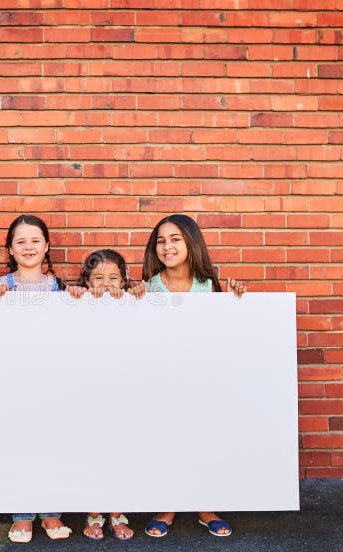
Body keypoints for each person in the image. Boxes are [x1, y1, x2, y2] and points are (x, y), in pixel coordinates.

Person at [138, 213, 245, 539]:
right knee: (168, 438)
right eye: (161, 241)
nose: (167, 246)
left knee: (203, 437)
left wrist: (236, 299)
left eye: (175, 239)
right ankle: (168, 505)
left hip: (202, 377)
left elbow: (226, 330)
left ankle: (204, 505)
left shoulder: (209, 285)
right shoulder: (150, 286)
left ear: (191, 243)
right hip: (163, 376)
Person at [0, 214, 72, 543]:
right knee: (19, 445)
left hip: (52, 379)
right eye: (20, 241)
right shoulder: (1, 287)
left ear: (47, 246)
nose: (28, 247)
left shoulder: (60, 287)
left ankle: (51, 512)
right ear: (10, 249)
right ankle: (22, 515)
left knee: (53, 444)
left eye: (35, 240)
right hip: (14, 380)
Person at [66, 249, 143, 541]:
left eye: (114, 278)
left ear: (124, 281)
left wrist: (138, 293)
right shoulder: (78, 303)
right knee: (93, 447)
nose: (107, 284)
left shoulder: (134, 303)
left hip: (122, 387)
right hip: (88, 387)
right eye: (98, 277)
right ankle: (95, 512)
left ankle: (117, 512)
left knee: (120, 446)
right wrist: (73, 294)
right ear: (86, 281)